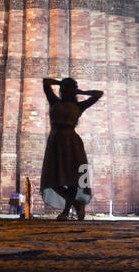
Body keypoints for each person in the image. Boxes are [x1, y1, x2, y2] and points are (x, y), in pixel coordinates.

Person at [40, 76, 103, 220]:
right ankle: (76, 204)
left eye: (68, 89)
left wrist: (80, 91)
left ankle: (65, 212)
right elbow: (46, 82)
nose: (64, 92)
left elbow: (98, 94)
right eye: (63, 89)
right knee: (52, 180)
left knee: (73, 179)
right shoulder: (54, 101)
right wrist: (61, 83)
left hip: (72, 141)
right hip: (55, 140)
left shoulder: (79, 106)